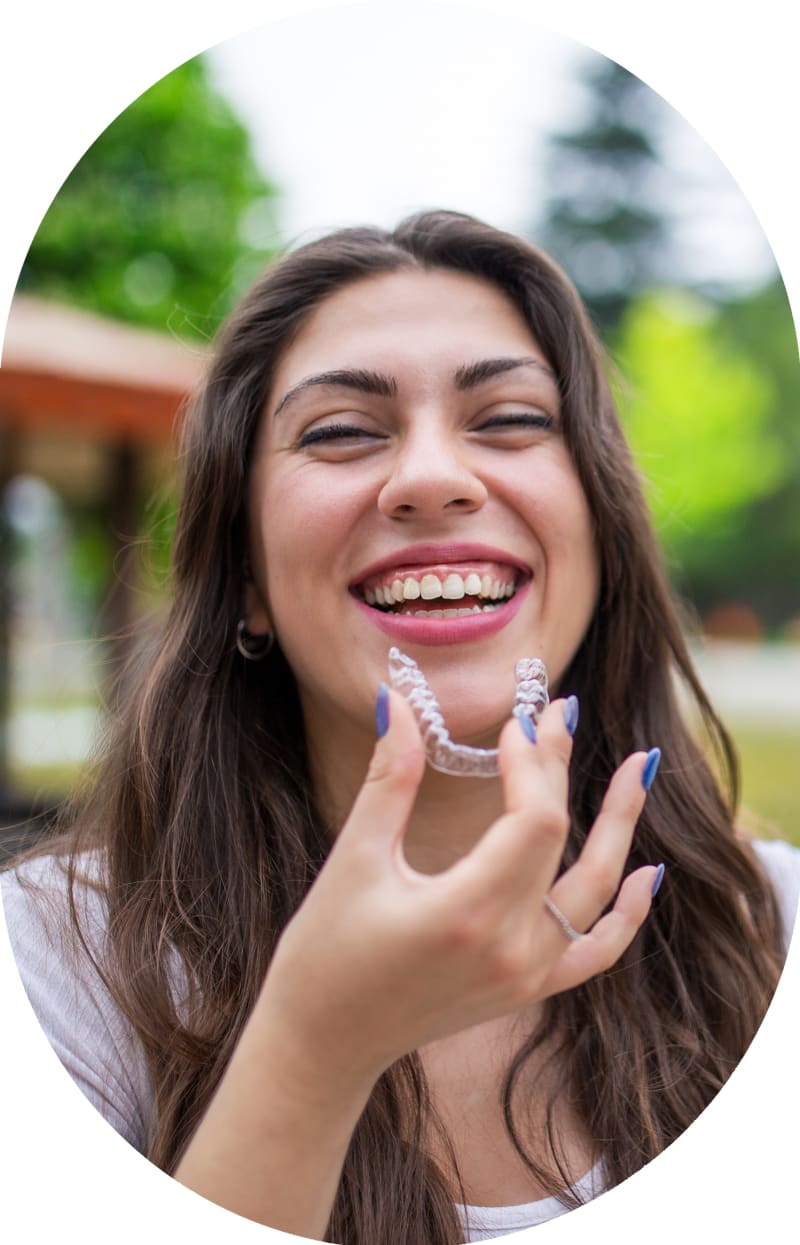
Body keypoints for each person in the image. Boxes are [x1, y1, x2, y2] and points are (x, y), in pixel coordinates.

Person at [2, 210, 798, 1245]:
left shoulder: (770, 929)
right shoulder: (50, 965)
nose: (430, 476)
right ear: (244, 578)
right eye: (338, 431)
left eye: (509, 418)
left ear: (598, 536)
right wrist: (312, 1049)